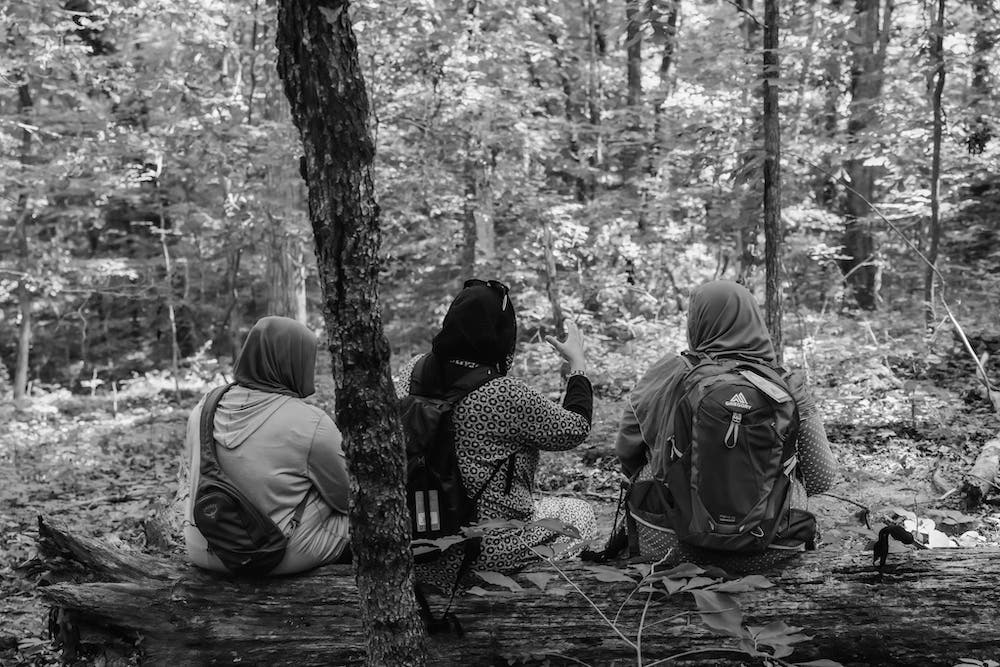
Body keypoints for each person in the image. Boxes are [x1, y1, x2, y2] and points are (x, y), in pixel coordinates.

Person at [614, 280, 838, 571]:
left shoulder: (667, 375)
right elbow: (821, 477)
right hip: (770, 548)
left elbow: (627, 453)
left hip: (669, 543)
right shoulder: (787, 386)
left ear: (697, 322)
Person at [396, 279, 597, 591]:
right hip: (484, 551)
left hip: (417, 548)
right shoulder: (505, 393)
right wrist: (578, 365)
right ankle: (530, 592)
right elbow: (574, 428)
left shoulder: (412, 372)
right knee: (579, 514)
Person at [178, 316, 350, 574]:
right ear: (294, 362)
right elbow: (348, 497)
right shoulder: (310, 422)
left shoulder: (203, 407)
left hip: (202, 547)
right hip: (268, 556)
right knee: (357, 512)